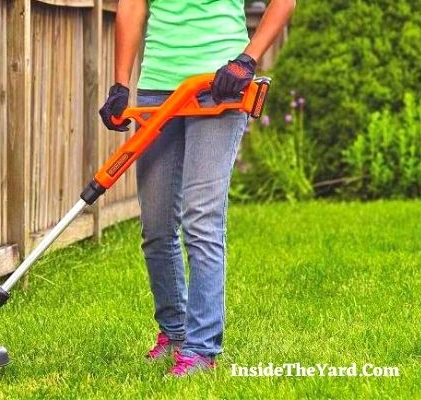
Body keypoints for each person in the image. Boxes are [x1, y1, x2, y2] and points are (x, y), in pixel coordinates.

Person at [99, 0, 295, 376]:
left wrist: (247, 60)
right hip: (158, 88)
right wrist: (120, 83)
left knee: (201, 218)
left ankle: (202, 349)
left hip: (220, 86)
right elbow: (131, 6)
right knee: (156, 227)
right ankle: (173, 334)